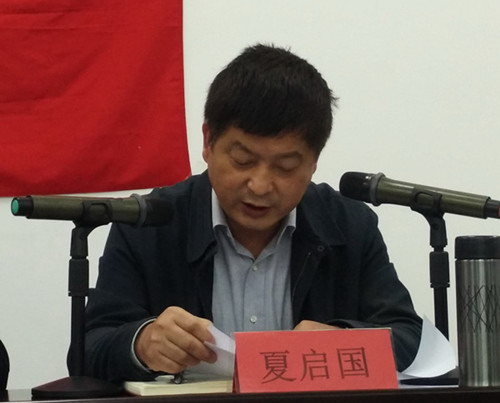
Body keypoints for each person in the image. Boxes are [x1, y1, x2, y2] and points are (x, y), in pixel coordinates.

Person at [78, 44, 422, 383]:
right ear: (208, 142)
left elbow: (410, 339)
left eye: (285, 167)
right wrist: (141, 343)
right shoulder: (149, 223)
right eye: (243, 160)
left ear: (314, 162)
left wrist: (343, 340)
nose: (259, 185)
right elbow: (89, 348)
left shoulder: (349, 225)